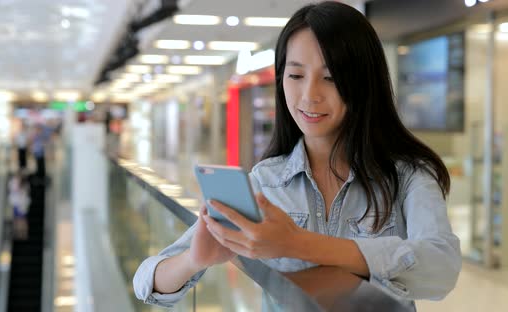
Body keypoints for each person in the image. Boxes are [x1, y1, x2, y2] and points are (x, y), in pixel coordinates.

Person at [133, 1, 461, 309]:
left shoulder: (408, 175)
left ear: (363, 83)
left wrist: (295, 244)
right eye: (295, 75)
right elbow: (146, 282)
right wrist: (194, 259)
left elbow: (441, 267)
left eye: (330, 77)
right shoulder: (266, 182)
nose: (309, 95)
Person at [9, 171, 31, 240]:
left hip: (22, 204)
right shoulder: (14, 182)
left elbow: (25, 194)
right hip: (16, 203)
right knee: (17, 219)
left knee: (22, 219)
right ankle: (17, 233)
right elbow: (12, 189)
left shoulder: (25, 185)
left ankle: (23, 233)